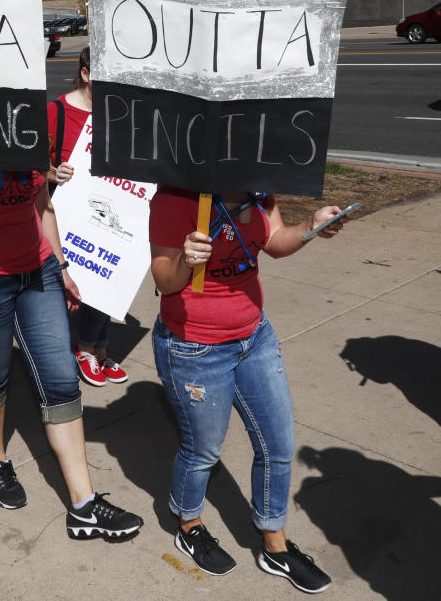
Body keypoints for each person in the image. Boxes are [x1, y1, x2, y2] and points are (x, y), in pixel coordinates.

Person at [0, 166, 143, 539]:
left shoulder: (32, 132)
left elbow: (43, 209)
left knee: (61, 381)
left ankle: (84, 505)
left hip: (38, 273)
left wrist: (61, 267)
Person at [149, 187, 347, 592]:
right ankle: (189, 525)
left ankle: (274, 547)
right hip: (194, 346)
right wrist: (187, 259)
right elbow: (165, 281)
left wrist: (310, 226)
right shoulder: (176, 197)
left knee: (278, 444)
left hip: (254, 337)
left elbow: (273, 241)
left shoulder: (260, 190)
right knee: (202, 449)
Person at [47, 47, 128, 388]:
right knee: (69, 286)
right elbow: (29, 168)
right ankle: (81, 349)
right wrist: (53, 173)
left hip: (106, 213)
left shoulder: (119, 115)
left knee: (105, 277)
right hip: (64, 216)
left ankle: (96, 348)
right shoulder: (55, 112)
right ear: (85, 74)